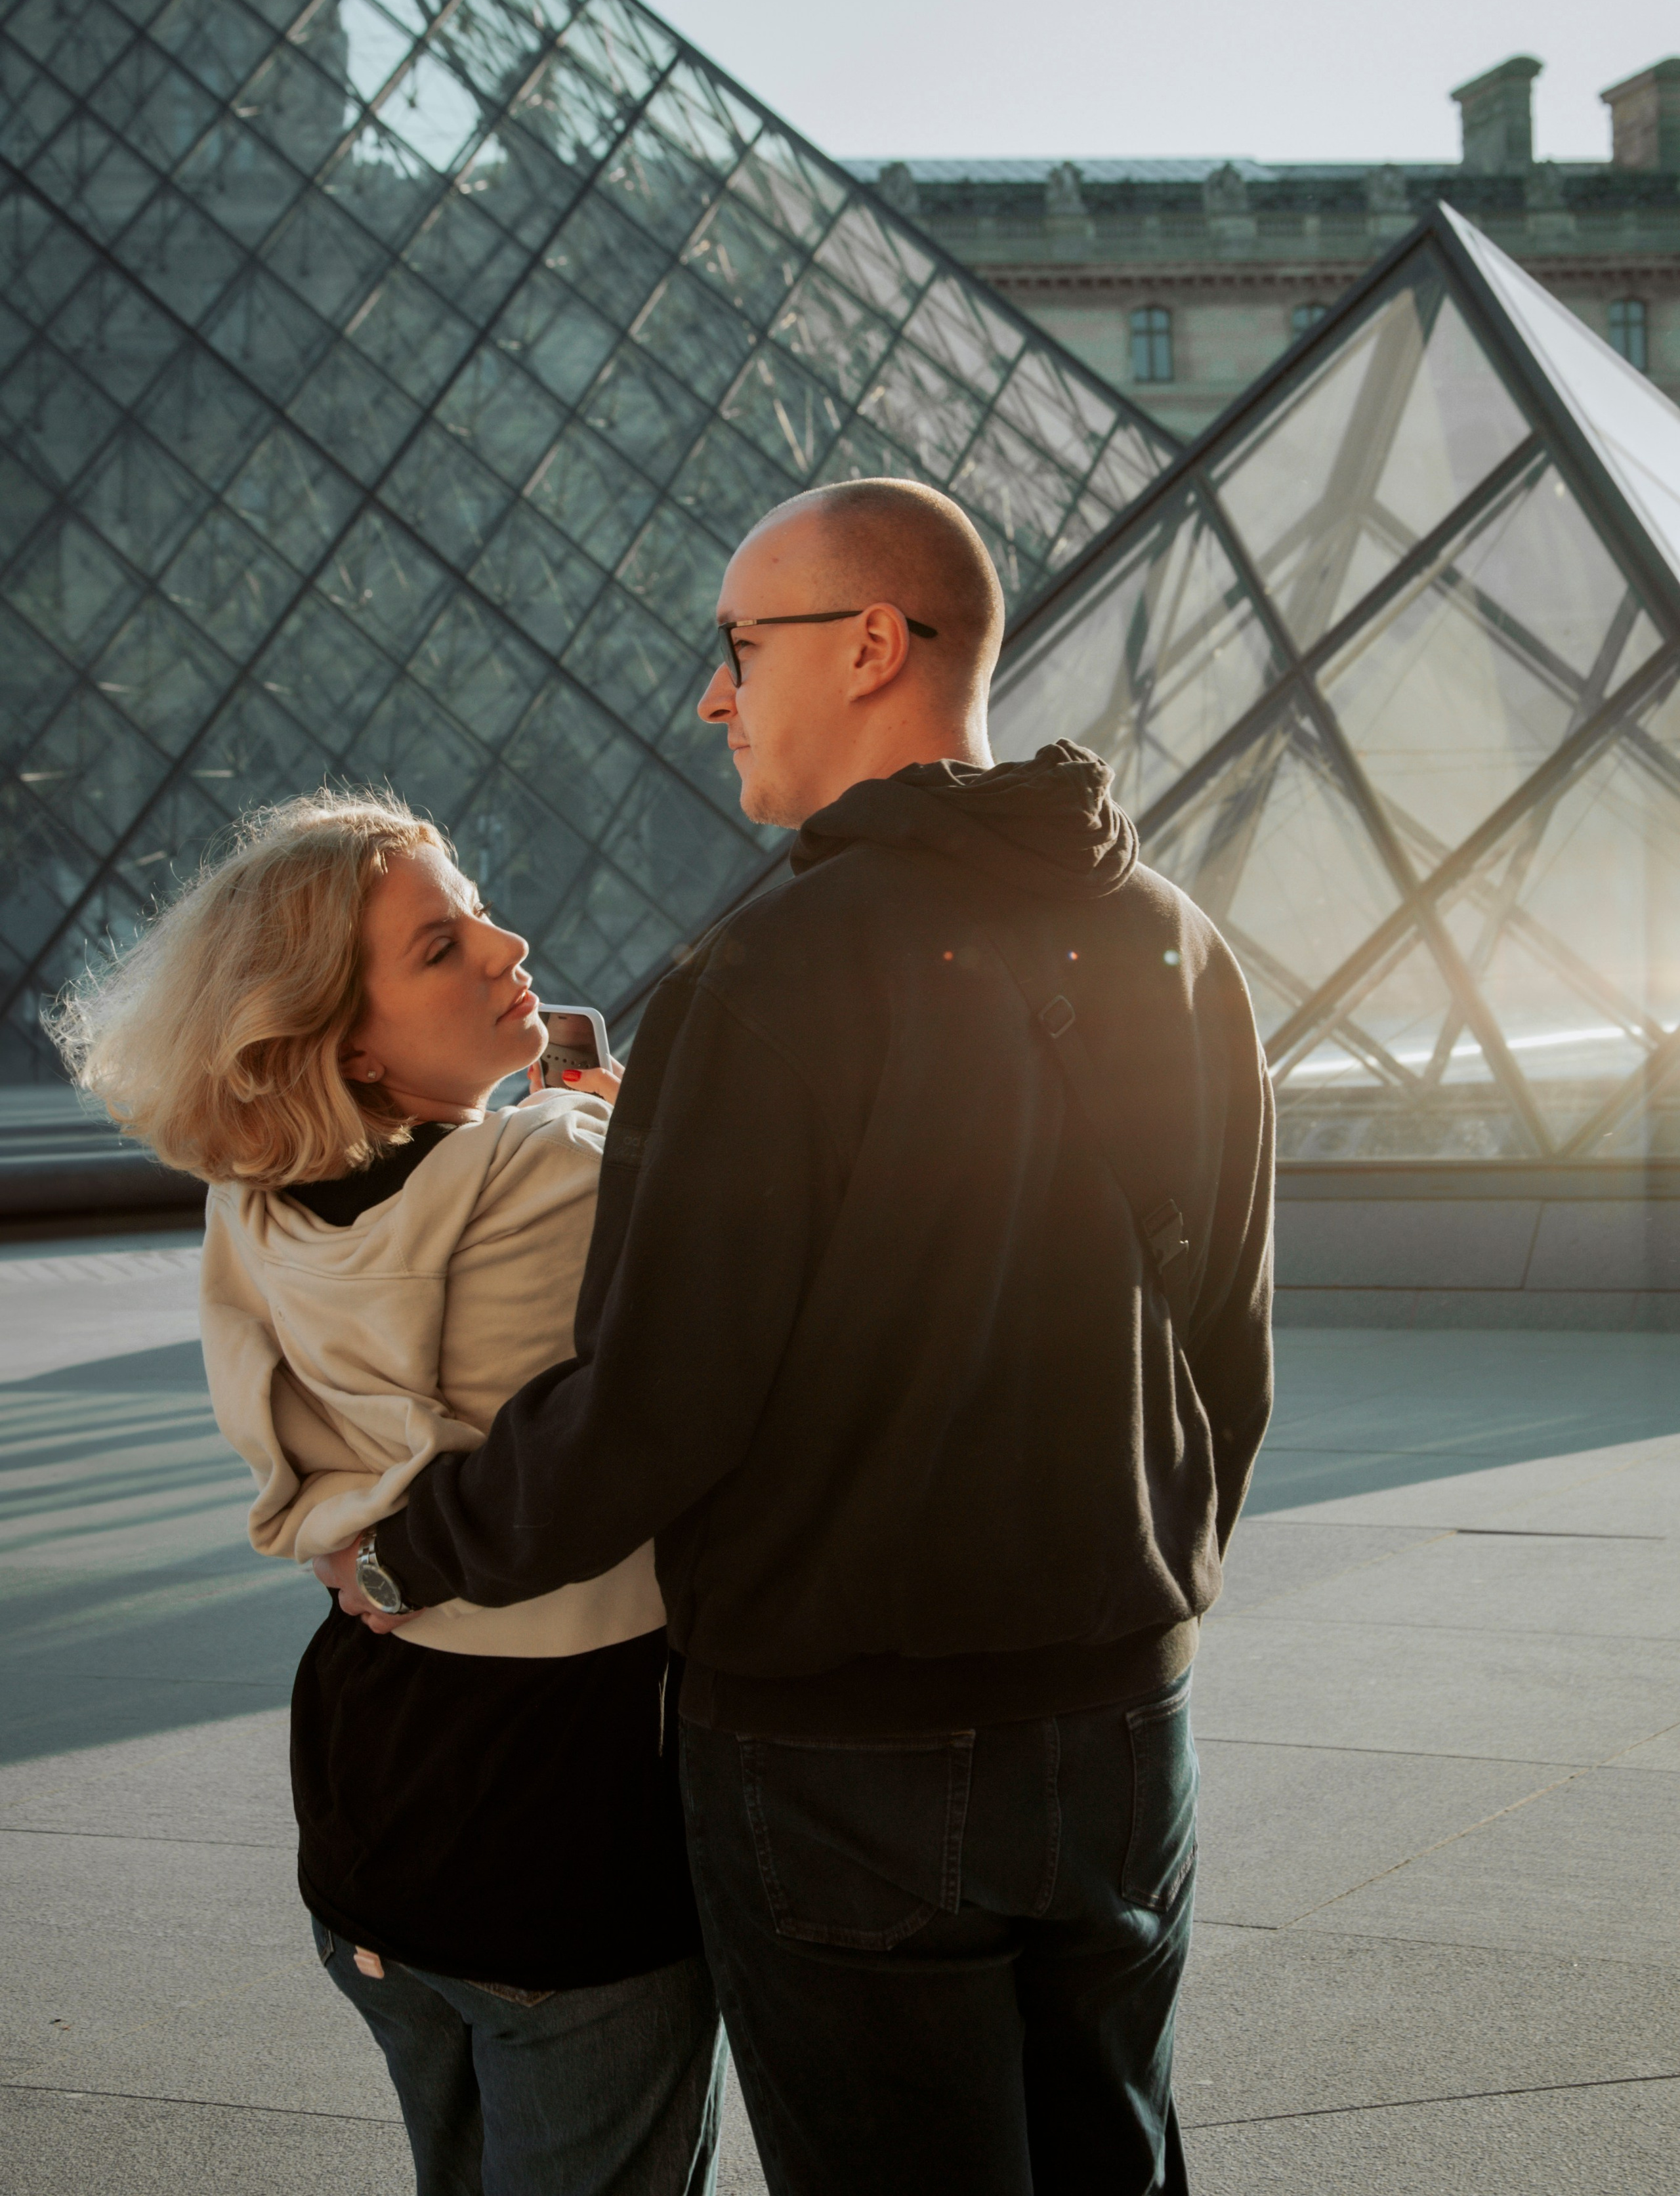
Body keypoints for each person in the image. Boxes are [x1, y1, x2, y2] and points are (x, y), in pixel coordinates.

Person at [324, 479, 1276, 2195]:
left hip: (843, 1754)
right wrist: (1150, 1594)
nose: (712, 694)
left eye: (738, 647)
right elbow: (1229, 1350)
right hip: (1126, 1725)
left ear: (869, 645)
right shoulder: (1180, 948)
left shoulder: (765, 979)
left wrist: (410, 1548)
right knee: (1111, 2162)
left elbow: (661, 1397)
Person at [53, 791, 724, 2196]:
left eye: (474, 904)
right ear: (345, 1036)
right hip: (561, 1809)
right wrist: (618, 1135)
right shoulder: (561, 1166)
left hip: (372, 1788)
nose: (504, 942)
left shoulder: (253, 1198)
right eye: (438, 945)